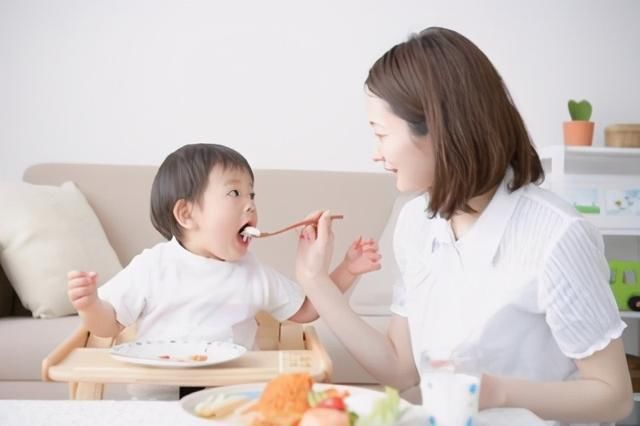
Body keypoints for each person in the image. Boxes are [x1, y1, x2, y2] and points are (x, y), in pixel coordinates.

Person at [294, 27, 633, 425]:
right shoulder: (416, 222)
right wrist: (315, 280)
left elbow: (614, 397)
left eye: (381, 134)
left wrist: (497, 392)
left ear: (437, 129)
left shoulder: (557, 236)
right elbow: (401, 367)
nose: (376, 154)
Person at [66, 143, 380, 398]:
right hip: (158, 402)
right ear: (186, 214)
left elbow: (309, 309)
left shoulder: (252, 272)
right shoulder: (153, 266)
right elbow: (108, 325)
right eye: (235, 193)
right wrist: (90, 304)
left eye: (252, 194)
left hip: (235, 399)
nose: (251, 205)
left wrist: (348, 269)